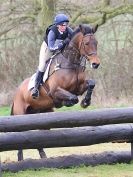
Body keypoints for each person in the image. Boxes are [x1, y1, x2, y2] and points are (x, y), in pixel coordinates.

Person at [31, 13, 73, 99]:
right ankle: (35, 88)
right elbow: (52, 48)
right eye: (62, 24)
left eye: (65, 24)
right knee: (42, 65)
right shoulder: (52, 32)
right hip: (48, 48)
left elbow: (75, 36)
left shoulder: (68, 30)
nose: (64, 26)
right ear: (57, 25)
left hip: (60, 48)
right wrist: (64, 42)